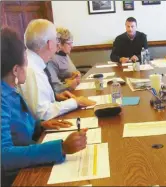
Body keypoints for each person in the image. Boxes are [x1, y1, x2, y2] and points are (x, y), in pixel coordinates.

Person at [1, 27, 88, 187]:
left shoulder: (9, 89)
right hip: (16, 177)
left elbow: (17, 125)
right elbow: (4, 156)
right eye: (25, 64)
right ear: (15, 70)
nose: (28, 69)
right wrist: (60, 148)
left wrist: (39, 125)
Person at [18, 19, 96, 121]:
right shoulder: (31, 70)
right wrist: (76, 102)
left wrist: (56, 96)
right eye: (57, 41)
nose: (57, 45)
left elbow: (39, 102)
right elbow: (42, 113)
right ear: (50, 44)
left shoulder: (35, 63)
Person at [47, 27, 81, 93]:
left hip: (73, 90)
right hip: (65, 95)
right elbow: (55, 88)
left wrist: (76, 74)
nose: (72, 46)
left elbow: (68, 73)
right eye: (69, 43)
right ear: (59, 44)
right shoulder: (52, 59)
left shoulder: (64, 54)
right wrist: (68, 85)